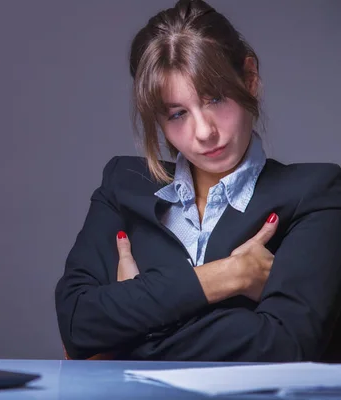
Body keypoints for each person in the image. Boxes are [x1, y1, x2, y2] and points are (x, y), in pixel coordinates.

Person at [54, 0, 341, 362]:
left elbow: (285, 346)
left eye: (216, 98)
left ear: (249, 79)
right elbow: (78, 324)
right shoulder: (123, 185)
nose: (204, 132)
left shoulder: (317, 192)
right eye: (177, 113)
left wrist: (124, 333)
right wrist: (228, 275)